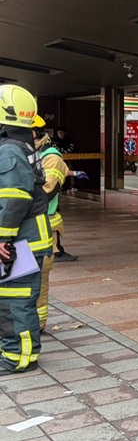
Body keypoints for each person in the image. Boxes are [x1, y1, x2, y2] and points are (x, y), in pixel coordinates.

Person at [0, 85, 54, 374]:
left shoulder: (9, 149)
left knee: (14, 301)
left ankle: (16, 357)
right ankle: (23, 352)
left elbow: (14, 198)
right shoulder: (21, 145)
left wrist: (2, 236)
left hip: (20, 242)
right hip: (27, 240)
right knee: (19, 299)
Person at [31, 117, 86, 329]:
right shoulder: (27, 153)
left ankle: (36, 324)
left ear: (35, 133)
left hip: (41, 225)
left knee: (36, 278)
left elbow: (47, 191)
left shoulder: (50, 156)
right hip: (26, 226)